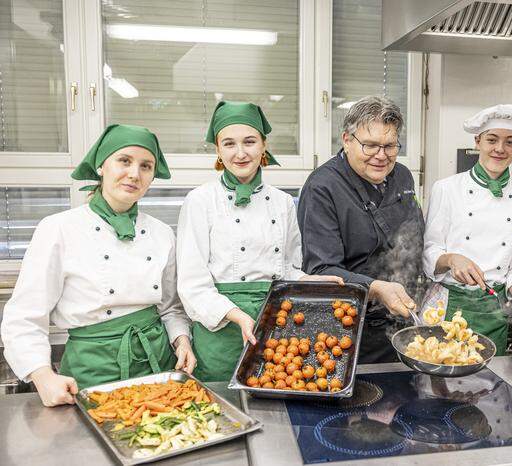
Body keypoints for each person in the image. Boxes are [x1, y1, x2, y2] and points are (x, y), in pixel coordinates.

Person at [0, 124, 195, 405]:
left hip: (159, 368)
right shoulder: (59, 228)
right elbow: (24, 316)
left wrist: (181, 340)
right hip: (92, 371)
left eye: (146, 166)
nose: (134, 174)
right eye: (124, 161)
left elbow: (169, 307)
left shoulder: (162, 233)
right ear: (101, 166)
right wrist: (43, 376)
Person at [177, 101, 342, 382]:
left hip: (274, 323)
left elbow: (286, 269)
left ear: (263, 146)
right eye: (229, 144)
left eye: (250, 142)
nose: (240, 153)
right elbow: (192, 284)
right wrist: (238, 315)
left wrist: (309, 281)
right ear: (218, 150)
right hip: (220, 330)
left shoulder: (282, 202)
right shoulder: (200, 200)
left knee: (275, 405)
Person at [297, 96, 425, 363]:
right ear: (347, 139)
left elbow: (413, 238)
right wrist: (376, 288)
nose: (381, 155)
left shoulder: (402, 176)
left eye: (390, 146)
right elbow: (321, 270)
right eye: (370, 146)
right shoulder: (322, 187)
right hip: (351, 330)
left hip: (405, 320)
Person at [422, 104, 512, 355]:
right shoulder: (446, 189)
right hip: (446, 303)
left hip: (493, 309)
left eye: (510, 142)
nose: (499, 149)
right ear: (478, 141)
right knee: (437, 379)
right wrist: (452, 259)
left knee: (488, 383)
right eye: (492, 140)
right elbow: (430, 249)